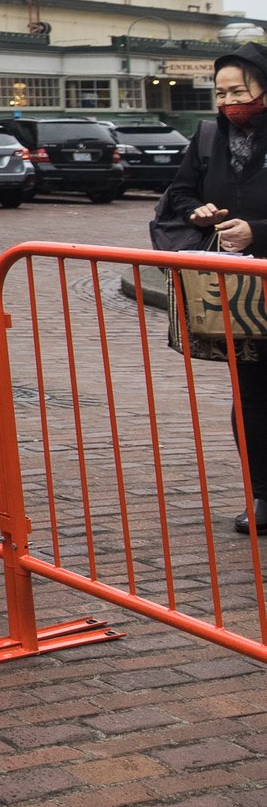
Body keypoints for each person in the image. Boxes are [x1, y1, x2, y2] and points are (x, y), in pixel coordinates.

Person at [153, 43, 267, 535]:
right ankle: (262, 495)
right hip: (240, 292)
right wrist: (197, 212)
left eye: (239, 91)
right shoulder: (205, 138)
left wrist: (257, 231)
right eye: (220, 93)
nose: (229, 102)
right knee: (252, 397)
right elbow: (179, 193)